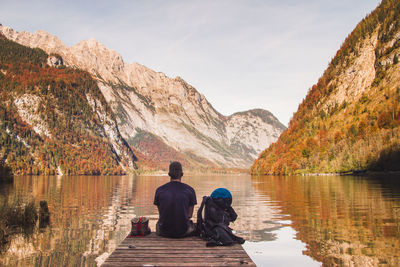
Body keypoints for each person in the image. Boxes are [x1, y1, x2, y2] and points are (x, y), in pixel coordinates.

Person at [154, 161, 197, 237]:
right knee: (193, 225)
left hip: (164, 231)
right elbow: (189, 215)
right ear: (182, 174)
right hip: (183, 232)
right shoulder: (190, 190)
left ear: (169, 174)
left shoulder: (159, 190)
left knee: (158, 224)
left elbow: (161, 213)